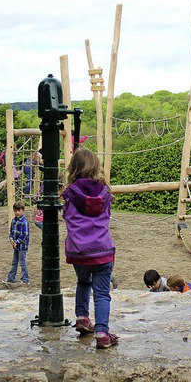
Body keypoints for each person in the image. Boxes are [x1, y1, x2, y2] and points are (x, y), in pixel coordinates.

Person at [62, 147, 118, 349]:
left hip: (78, 250)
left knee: (83, 282)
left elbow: (66, 215)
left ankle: (82, 318)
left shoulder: (68, 194)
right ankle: (102, 333)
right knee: (102, 293)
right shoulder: (105, 193)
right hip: (102, 249)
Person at [3, 201, 30, 284]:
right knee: (14, 262)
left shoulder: (24, 222)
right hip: (15, 245)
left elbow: (25, 234)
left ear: (23, 210)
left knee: (22, 262)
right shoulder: (13, 221)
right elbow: (11, 231)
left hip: (22, 246)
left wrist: (17, 242)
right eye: (15, 211)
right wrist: (11, 240)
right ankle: (11, 277)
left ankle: (25, 279)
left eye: (18, 210)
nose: (17, 212)